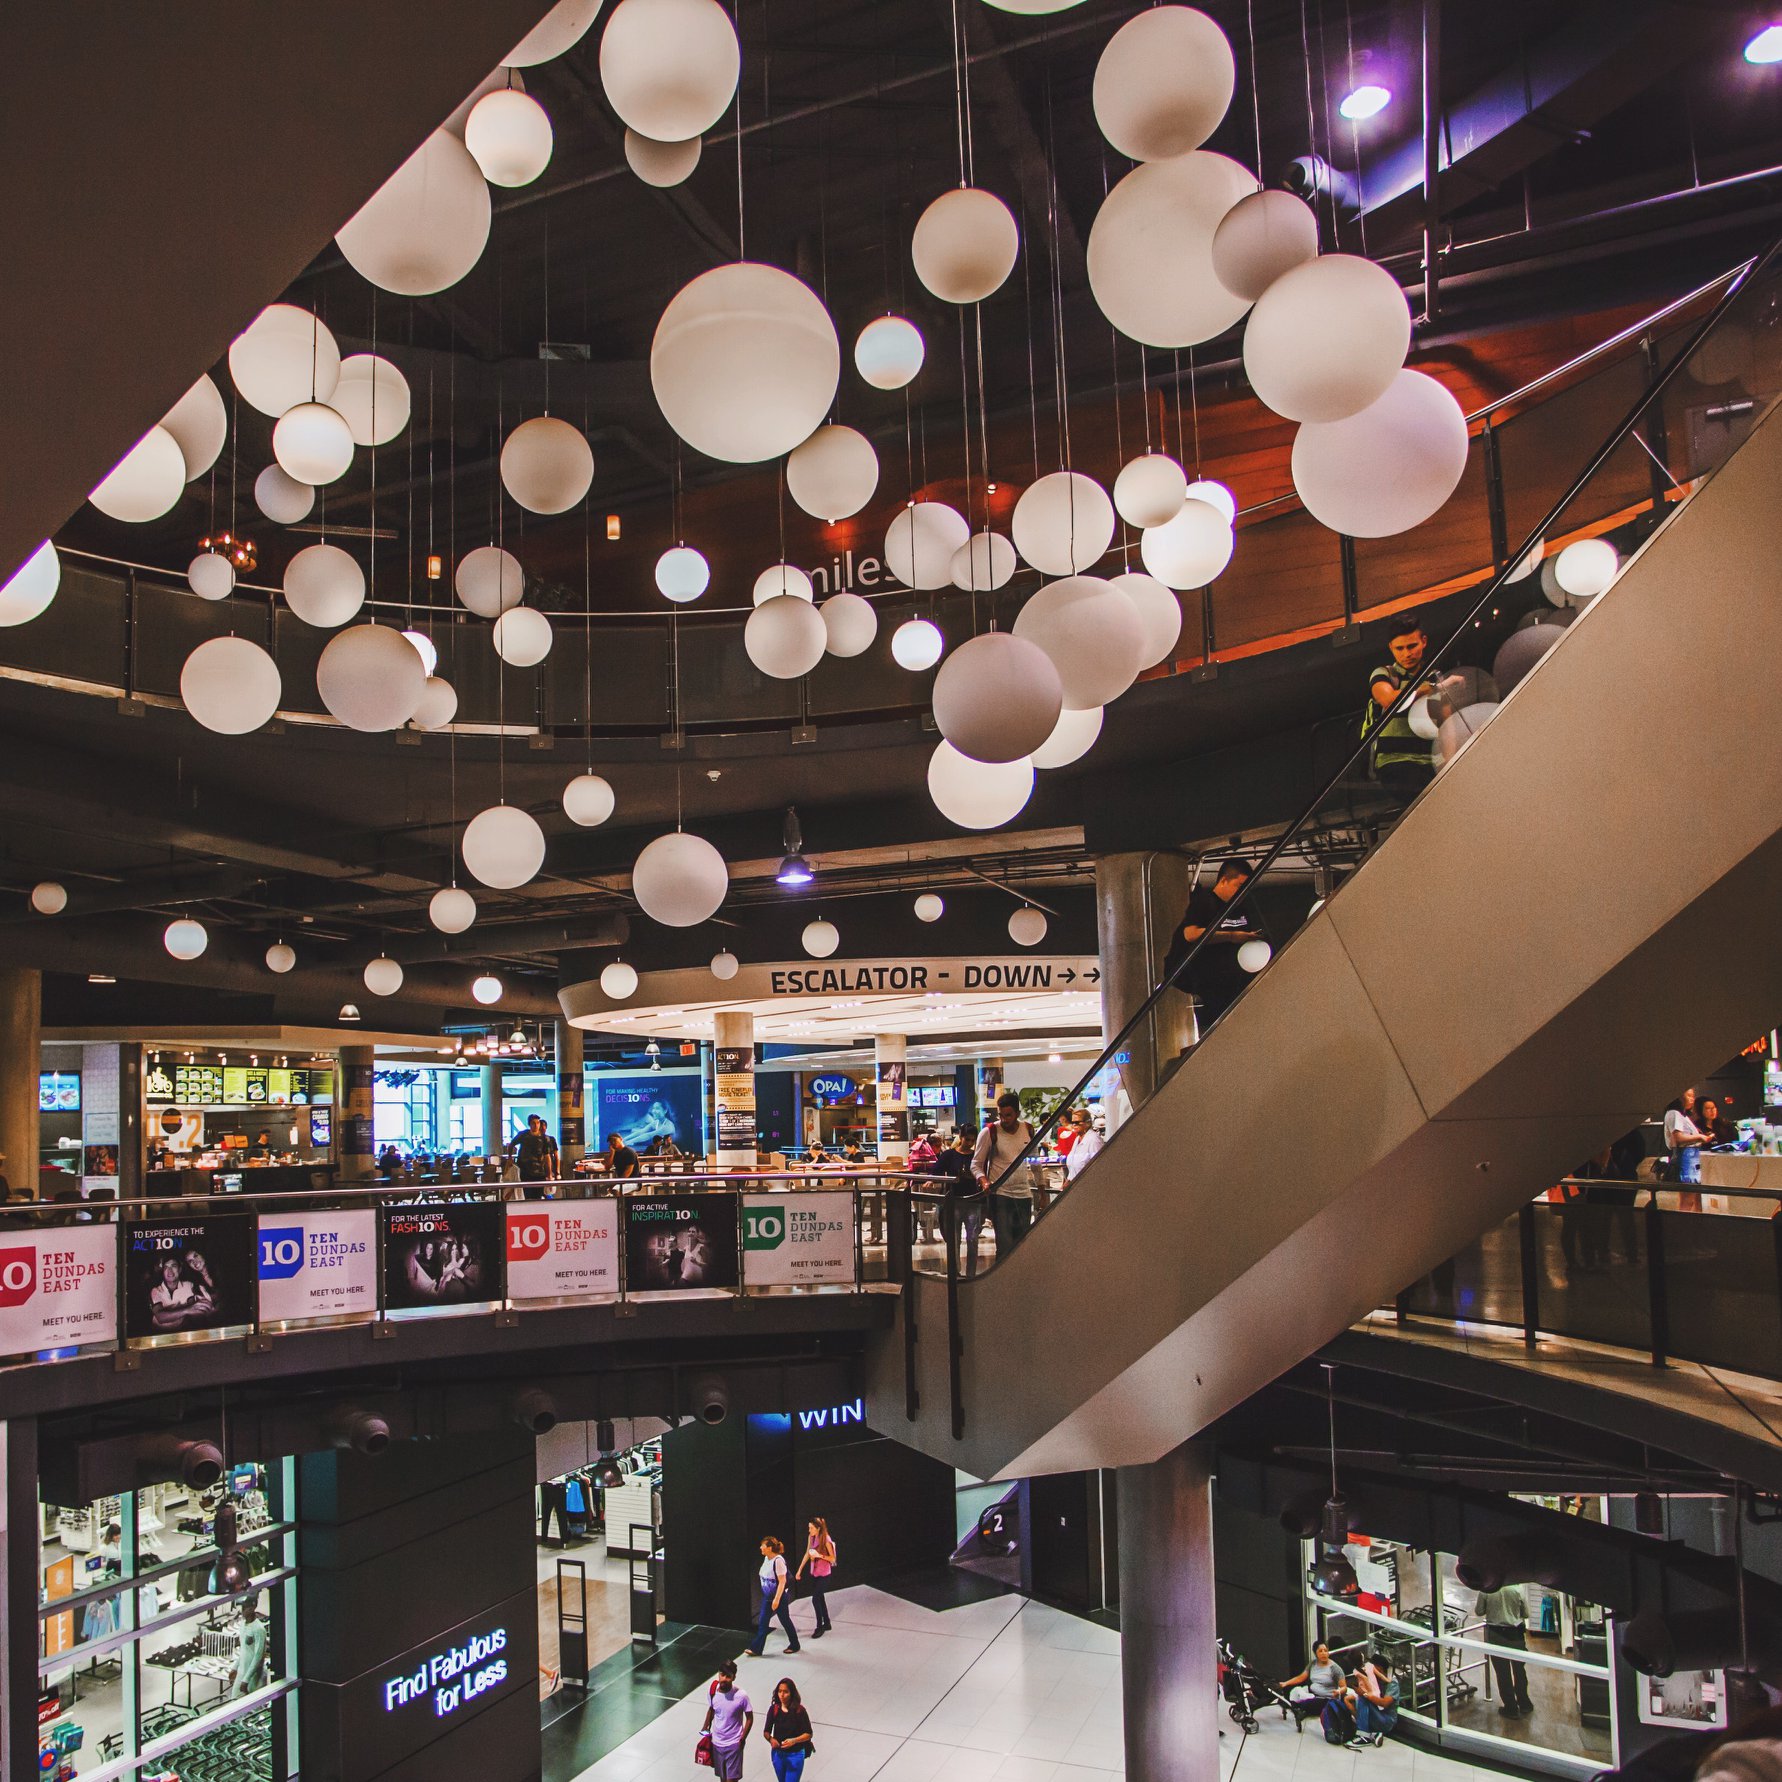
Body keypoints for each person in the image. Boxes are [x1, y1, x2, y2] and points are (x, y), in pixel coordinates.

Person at [1363, 619, 1438, 804]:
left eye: (1412, 646)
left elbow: (1446, 721)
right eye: (1399, 648)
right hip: (1395, 761)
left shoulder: (1433, 676)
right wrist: (1427, 689)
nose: (1407, 654)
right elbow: (1388, 700)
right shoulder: (1385, 674)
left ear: (1424, 641)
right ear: (1391, 647)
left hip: (1432, 759)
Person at [972, 1092, 1036, 1261]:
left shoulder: (1028, 1130)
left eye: (1008, 1115)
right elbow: (976, 1164)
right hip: (1001, 1195)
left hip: (1023, 1195)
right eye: (1001, 1115)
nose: (1004, 1119)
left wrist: (1042, 1190)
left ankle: (1020, 1274)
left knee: (1022, 1243)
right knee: (1005, 1244)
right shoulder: (990, 1132)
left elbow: (1035, 1162)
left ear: (1017, 1113)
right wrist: (984, 1181)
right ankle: (1004, 1274)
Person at [1476, 1581, 1535, 1718]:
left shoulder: (1486, 1588)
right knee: (1519, 1671)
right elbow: (1526, 1613)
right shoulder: (1518, 1589)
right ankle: (1524, 1703)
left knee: (1503, 1674)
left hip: (1496, 1635)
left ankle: (1511, 1708)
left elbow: (1479, 1611)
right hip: (1516, 1635)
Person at [1280, 1642, 1349, 1742]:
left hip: (1327, 1698)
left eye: (1325, 1651)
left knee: (1307, 1704)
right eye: (1320, 1651)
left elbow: (1344, 1687)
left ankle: (1301, 1709)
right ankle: (1297, 1708)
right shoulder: (1312, 1664)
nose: (1324, 1653)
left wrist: (1338, 1691)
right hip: (1312, 1693)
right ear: (1316, 1653)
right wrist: (1286, 1683)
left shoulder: (1335, 1668)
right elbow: (1301, 1677)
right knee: (1290, 1693)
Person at [704, 1660, 754, 1782]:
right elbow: (712, 1709)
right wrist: (705, 1728)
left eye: (728, 1676)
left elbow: (750, 1718)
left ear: (734, 1677)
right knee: (723, 1779)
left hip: (734, 1744)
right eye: (722, 1675)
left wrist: (742, 1738)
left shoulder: (741, 1696)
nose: (724, 1679)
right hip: (717, 1743)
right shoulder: (712, 1691)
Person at [750, 1537, 800, 1656]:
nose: (760, 1548)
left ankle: (795, 1645)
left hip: (779, 1597)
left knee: (785, 1620)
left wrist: (777, 1600)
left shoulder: (778, 1561)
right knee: (763, 1622)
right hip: (768, 1597)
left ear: (769, 1548)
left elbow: (782, 1581)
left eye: (763, 1546)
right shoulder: (766, 1559)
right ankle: (756, 1649)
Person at [1664, 1091, 1709, 1210]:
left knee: (1697, 1197)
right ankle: (1684, 1221)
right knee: (1687, 1199)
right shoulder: (1674, 1113)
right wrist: (1699, 1137)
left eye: (1693, 1096)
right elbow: (1678, 1137)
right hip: (1687, 1156)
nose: (1692, 1099)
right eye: (1689, 1096)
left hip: (1692, 1156)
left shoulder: (1682, 1115)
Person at [763, 1677, 813, 1782]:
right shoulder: (774, 1709)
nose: (782, 1695)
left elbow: (808, 1733)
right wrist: (771, 1739)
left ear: (791, 1693)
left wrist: (794, 1740)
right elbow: (766, 1731)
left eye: (785, 1692)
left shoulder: (799, 1711)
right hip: (778, 1754)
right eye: (780, 1691)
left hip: (795, 1754)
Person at [794, 1518, 836, 1639]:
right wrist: (800, 1569)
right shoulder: (811, 1537)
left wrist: (819, 1555)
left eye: (811, 1528)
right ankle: (826, 1622)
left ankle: (819, 1626)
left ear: (818, 1528)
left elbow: (833, 1559)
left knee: (815, 1599)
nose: (809, 1530)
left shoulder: (826, 1539)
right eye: (809, 1528)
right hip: (815, 1572)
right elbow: (807, 1553)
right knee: (820, 1597)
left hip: (824, 1573)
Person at [1346, 1653, 1399, 1747]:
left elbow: (1384, 1703)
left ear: (1379, 1668)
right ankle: (1373, 1734)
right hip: (1375, 1715)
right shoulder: (1372, 1679)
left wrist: (1364, 1694)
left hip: (1386, 1720)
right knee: (1351, 1700)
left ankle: (1364, 1736)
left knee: (1363, 1698)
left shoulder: (1392, 1683)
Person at [228, 1596, 269, 1698]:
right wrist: (235, 1667)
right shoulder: (243, 1625)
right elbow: (244, 1650)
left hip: (254, 1676)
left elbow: (258, 1656)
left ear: (252, 1608)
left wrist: (246, 1679)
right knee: (235, 1699)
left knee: (255, 1704)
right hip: (242, 1671)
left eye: (244, 1608)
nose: (241, 1611)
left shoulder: (259, 1629)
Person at [516, 1114, 559, 1197]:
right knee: (528, 1194)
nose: (537, 1126)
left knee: (539, 1194)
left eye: (538, 1123)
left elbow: (549, 1157)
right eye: (534, 1123)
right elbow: (512, 1144)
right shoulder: (524, 1135)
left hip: (540, 1172)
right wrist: (510, 1158)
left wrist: (551, 1173)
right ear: (529, 1124)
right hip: (526, 1172)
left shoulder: (546, 1139)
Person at [1064, 1108, 1102, 1181]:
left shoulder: (1094, 1140)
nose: (1074, 1125)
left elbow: (1099, 1166)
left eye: (1077, 1122)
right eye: (1072, 1122)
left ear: (1087, 1123)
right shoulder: (1077, 1139)